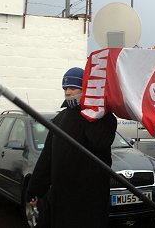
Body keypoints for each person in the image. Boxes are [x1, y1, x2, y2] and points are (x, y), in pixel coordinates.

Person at [26, 67, 117, 228]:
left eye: (73, 88)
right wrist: (35, 189)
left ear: (86, 89)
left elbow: (100, 142)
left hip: (90, 201)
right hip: (62, 200)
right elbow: (47, 158)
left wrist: (91, 110)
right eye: (65, 88)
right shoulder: (60, 118)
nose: (68, 93)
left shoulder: (103, 117)